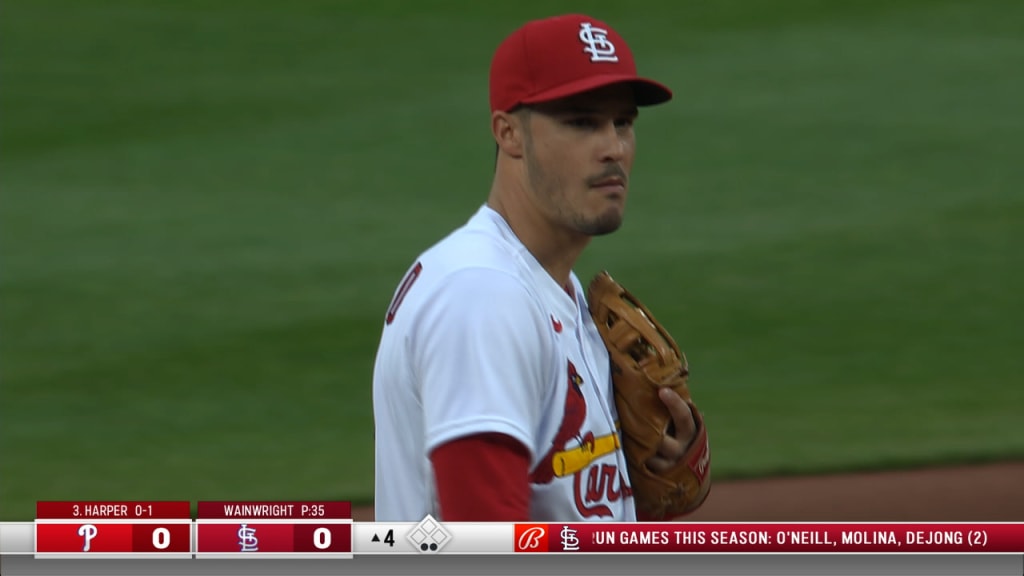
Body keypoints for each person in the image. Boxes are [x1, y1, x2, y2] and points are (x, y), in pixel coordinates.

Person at [373, 13, 698, 522]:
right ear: (509, 133)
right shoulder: (482, 297)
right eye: (581, 122)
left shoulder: (553, 289)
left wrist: (628, 480)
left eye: (623, 123)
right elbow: (486, 541)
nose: (613, 147)